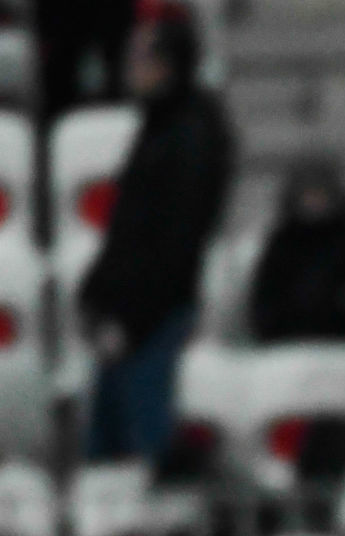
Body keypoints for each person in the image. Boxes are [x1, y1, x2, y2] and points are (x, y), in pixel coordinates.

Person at [76, 6, 233, 468]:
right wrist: (97, 292)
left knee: (143, 450)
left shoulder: (192, 135)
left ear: (166, 64)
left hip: (151, 322)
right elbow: (127, 228)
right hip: (127, 316)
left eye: (140, 59)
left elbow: (174, 241)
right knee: (108, 456)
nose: (129, 71)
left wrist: (130, 320)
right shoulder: (159, 126)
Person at [249, 156, 345, 345]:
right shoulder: (283, 242)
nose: (314, 202)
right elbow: (266, 296)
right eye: (309, 195)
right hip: (288, 343)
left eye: (320, 195)